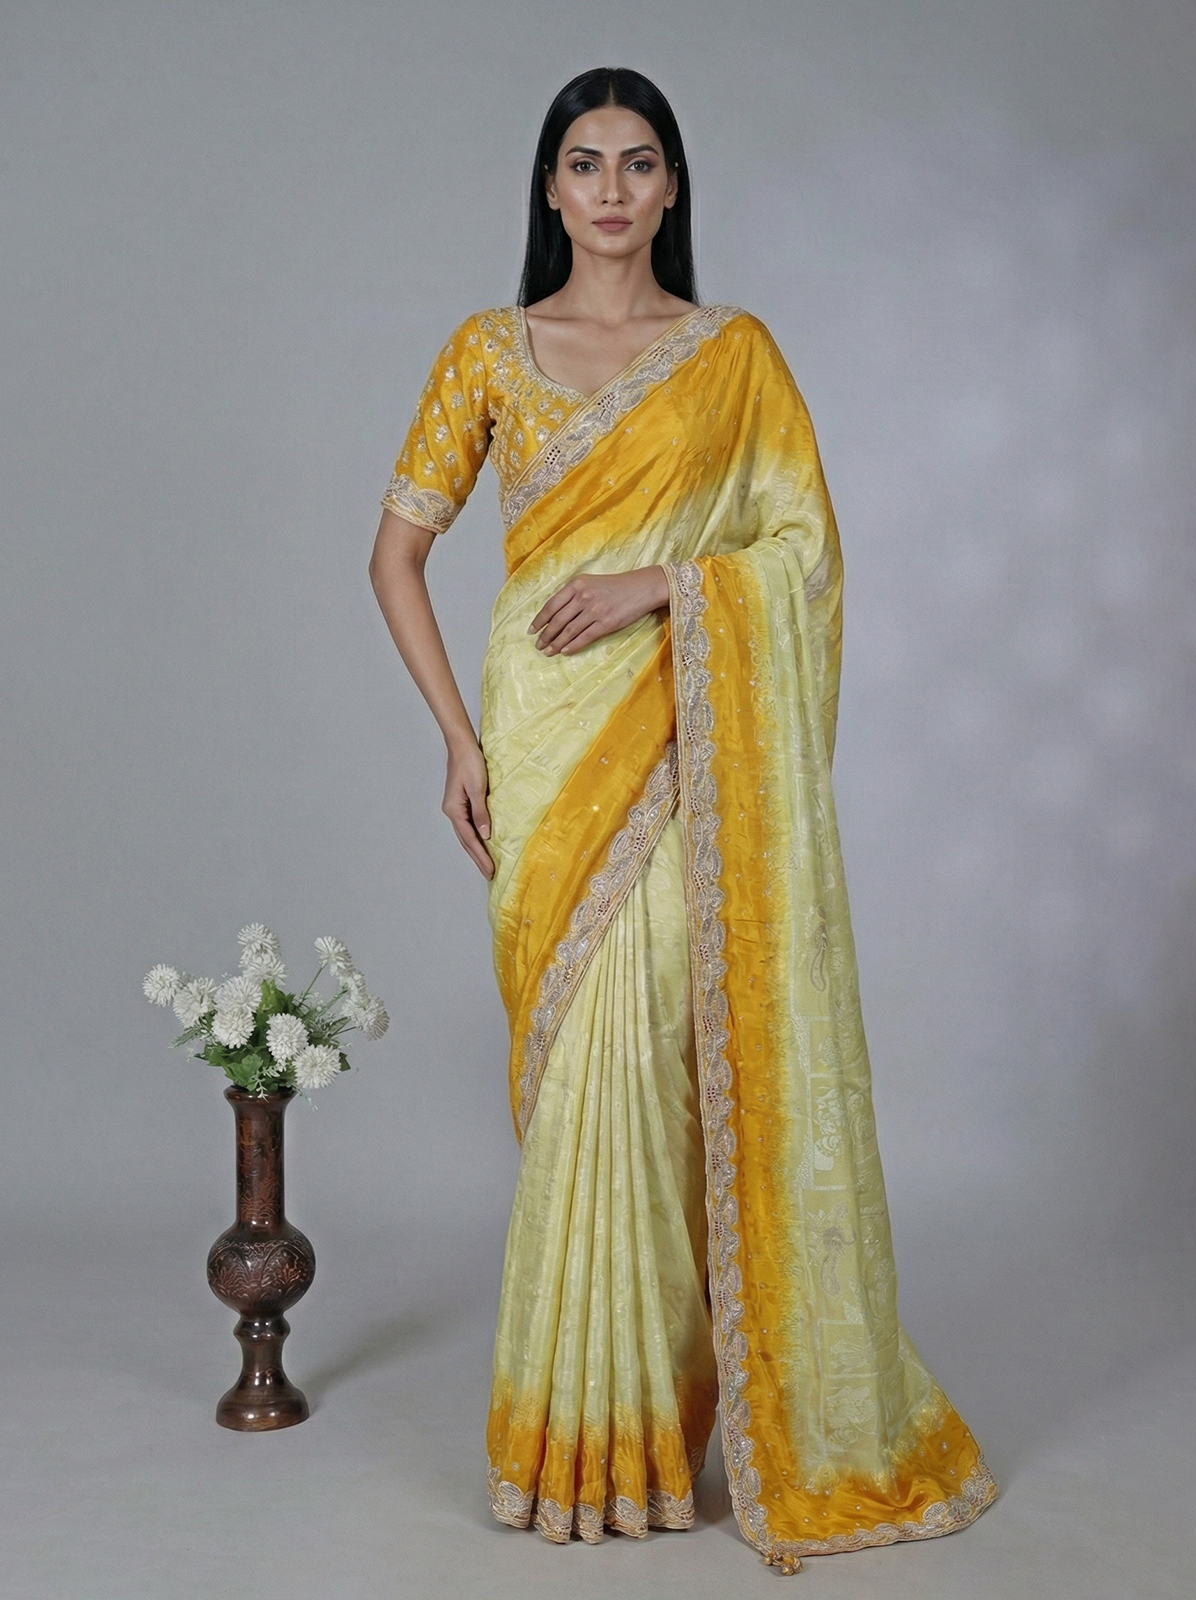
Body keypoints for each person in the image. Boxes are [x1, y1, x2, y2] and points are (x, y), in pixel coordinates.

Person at [368, 65, 995, 1575]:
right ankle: (570, 1440)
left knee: (654, 1061)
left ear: (671, 187)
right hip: (544, 747)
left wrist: (666, 583)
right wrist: (457, 739)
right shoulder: (487, 350)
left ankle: (649, 1435)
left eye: (639, 163)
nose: (611, 191)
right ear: (549, 186)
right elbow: (394, 557)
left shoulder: (732, 356)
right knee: (576, 1078)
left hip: (679, 741)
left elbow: (805, 553)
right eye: (585, 163)